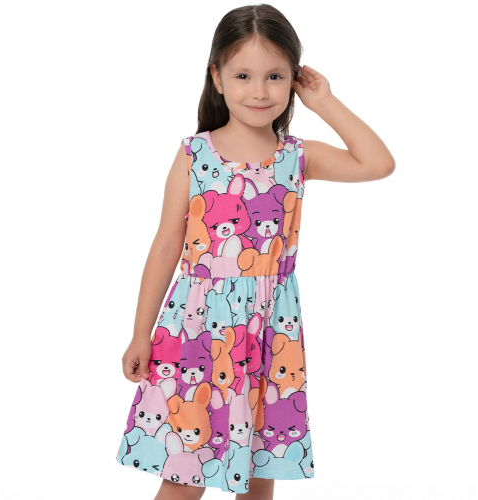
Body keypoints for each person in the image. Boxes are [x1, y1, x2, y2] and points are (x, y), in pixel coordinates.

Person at [115, 4, 395, 500]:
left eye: (275, 76)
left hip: (270, 333)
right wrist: (141, 333)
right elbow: (166, 245)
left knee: (260, 471)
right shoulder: (194, 154)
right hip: (198, 333)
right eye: (243, 75)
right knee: (185, 475)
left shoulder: (298, 156)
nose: (260, 91)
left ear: (293, 81)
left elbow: (377, 163)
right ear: (217, 77)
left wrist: (325, 101)